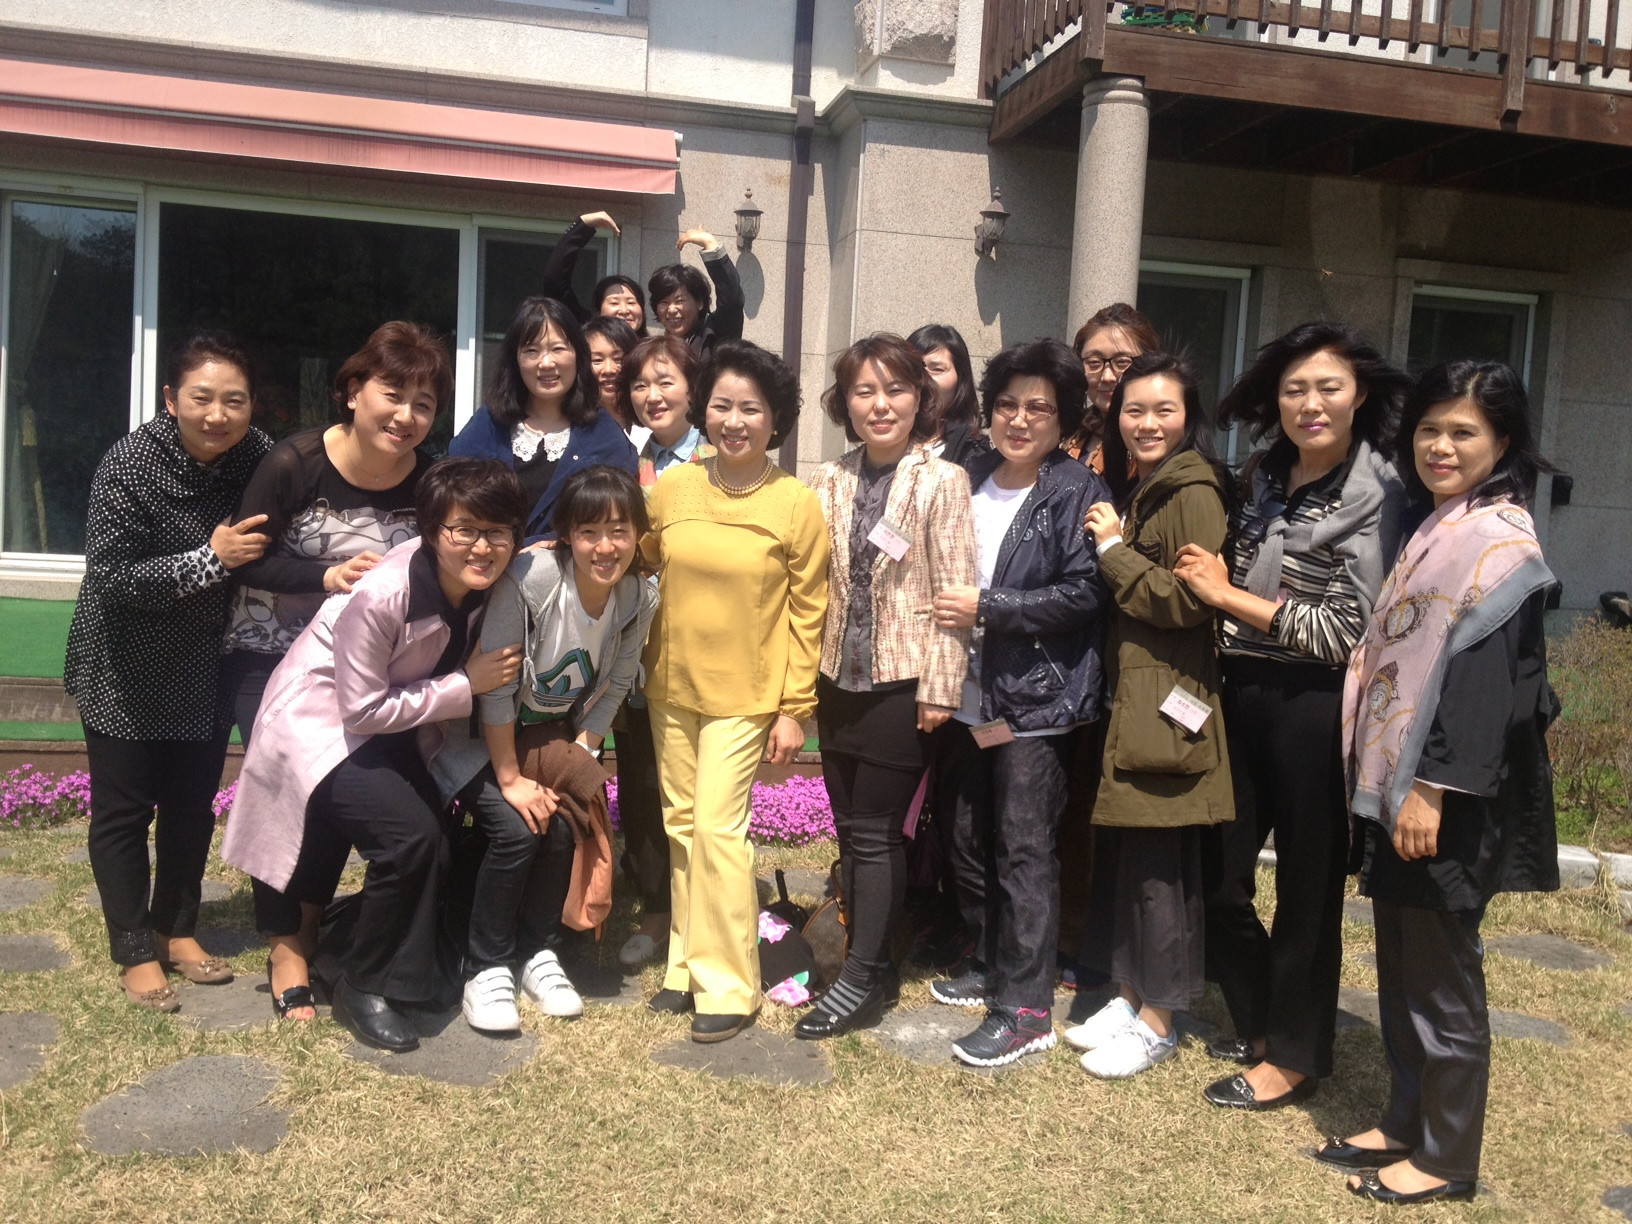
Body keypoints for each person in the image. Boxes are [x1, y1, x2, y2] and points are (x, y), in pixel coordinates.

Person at [1330, 360, 1559, 1205]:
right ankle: (1405, 1119)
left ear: (1503, 440)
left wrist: (1430, 787)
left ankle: (1447, 1157)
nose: (1442, 446)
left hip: (1446, 795)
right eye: (1430, 428)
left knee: (1442, 974)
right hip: (1401, 782)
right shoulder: (1439, 526)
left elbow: (1488, 687)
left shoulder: (1498, 544)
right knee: (1401, 958)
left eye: (1464, 432)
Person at [1172, 323, 1409, 1109]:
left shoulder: (1380, 493)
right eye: (1295, 389)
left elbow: (1345, 633)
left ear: (1359, 395)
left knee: (1308, 892)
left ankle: (1295, 1057)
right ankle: (1264, 1022)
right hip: (1240, 691)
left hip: (1317, 707)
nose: (1311, 403)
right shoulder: (1263, 475)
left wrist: (1226, 596)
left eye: (1329, 387)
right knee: (1218, 877)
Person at [222, 458, 527, 1052]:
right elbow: (360, 710)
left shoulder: (481, 581)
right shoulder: (384, 594)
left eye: (498, 531)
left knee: (434, 837)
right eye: (464, 529)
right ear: (432, 530)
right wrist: (466, 683)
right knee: (408, 839)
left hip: (393, 723)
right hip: (319, 725)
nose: (482, 546)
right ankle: (362, 987)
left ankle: (390, 971)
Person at [221, 321, 448, 1019]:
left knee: (346, 793)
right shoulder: (295, 463)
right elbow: (245, 559)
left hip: (367, 669)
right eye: (392, 394)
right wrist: (324, 576)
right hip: (271, 652)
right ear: (353, 391)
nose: (405, 416)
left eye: (423, 404)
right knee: (294, 784)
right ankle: (286, 944)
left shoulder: (429, 479)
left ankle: (313, 922)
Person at [65, 332, 272, 1011]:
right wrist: (212, 559)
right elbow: (112, 575)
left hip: (205, 662)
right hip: (122, 663)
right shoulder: (129, 464)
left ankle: (177, 929)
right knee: (124, 811)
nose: (218, 414)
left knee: (189, 805)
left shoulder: (258, 455)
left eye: (234, 400)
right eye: (201, 398)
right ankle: (133, 949)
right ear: (170, 399)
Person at [927, 338, 1111, 1068]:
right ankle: (990, 960)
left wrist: (990, 606)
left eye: (1039, 407)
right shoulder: (968, 473)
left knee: (1024, 848)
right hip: (965, 693)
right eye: (1007, 404)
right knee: (966, 835)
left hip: (1036, 701)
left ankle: (1027, 1008)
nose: (1020, 419)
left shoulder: (1077, 490)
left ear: (1063, 419)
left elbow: (1086, 593)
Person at [640, 339, 829, 1043]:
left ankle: (731, 984)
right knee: (683, 827)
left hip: (747, 696)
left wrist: (795, 709)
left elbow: (809, 611)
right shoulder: (673, 489)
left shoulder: (794, 504)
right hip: (672, 683)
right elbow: (637, 558)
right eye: (721, 405)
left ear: (775, 419)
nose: (734, 421)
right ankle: (685, 966)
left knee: (719, 830)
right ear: (703, 410)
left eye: (751, 408)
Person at [433, 466, 659, 1033]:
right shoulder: (531, 581)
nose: (605, 548)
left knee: (561, 819)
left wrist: (581, 751)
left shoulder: (637, 595)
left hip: (547, 735)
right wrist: (510, 779)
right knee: (518, 828)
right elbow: (498, 689)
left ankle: (539, 950)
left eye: (619, 531)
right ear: (565, 536)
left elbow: (618, 680)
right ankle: (486, 967)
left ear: (638, 534)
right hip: (475, 738)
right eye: (589, 532)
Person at [800, 335, 976, 1039]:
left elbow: (956, 592)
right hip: (836, 680)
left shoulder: (942, 480)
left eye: (896, 389)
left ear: (919, 398)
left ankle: (862, 978)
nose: (880, 404)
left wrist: (941, 687)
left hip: (904, 683)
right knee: (851, 831)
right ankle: (869, 957)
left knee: (875, 834)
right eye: (864, 391)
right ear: (844, 402)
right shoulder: (827, 479)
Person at [1075, 352, 1233, 1080]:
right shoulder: (1149, 485)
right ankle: (1130, 996)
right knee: (1132, 861)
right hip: (1138, 695)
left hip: (1169, 702)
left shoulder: (1192, 490)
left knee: (1162, 870)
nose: (1146, 423)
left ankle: (1160, 1020)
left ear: (1187, 415)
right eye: (1133, 410)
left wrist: (1112, 550)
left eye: (1163, 410)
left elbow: (1189, 601)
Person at [608, 333, 714, 972]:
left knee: (706, 786)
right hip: (637, 644)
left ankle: (706, 908)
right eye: (641, 384)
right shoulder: (627, 459)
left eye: (666, 380)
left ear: (693, 387)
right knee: (644, 779)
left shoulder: (717, 458)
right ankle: (656, 907)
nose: (652, 394)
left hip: (704, 645)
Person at [449, 296, 636, 544]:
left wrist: (552, 544)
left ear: (578, 355)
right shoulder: (488, 424)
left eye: (558, 349)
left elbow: (618, 519)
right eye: (531, 351)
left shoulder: (604, 436)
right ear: (515, 360)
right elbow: (449, 501)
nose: (546, 363)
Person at [1067, 303, 1161, 471]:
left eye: (1122, 362)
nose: (1107, 377)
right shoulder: (1066, 433)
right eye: (1094, 362)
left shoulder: (1160, 440)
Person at [539, 210, 648, 329]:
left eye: (631, 302)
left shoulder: (654, 341)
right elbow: (554, 282)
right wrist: (584, 226)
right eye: (614, 303)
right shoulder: (587, 335)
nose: (624, 310)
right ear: (598, 311)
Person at [646, 229, 745, 359]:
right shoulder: (653, 351)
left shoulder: (716, 337)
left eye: (679, 301)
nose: (671, 309)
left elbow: (732, 301)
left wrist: (709, 243)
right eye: (664, 302)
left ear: (699, 302)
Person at [907, 324, 988, 465]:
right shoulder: (884, 441)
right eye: (914, 368)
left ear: (960, 379)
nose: (924, 378)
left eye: (937, 369)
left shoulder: (974, 455)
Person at [584, 315, 645, 442]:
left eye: (618, 359)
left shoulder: (652, 419)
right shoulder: (572, 428)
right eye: (597, 360)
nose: (609, 370)